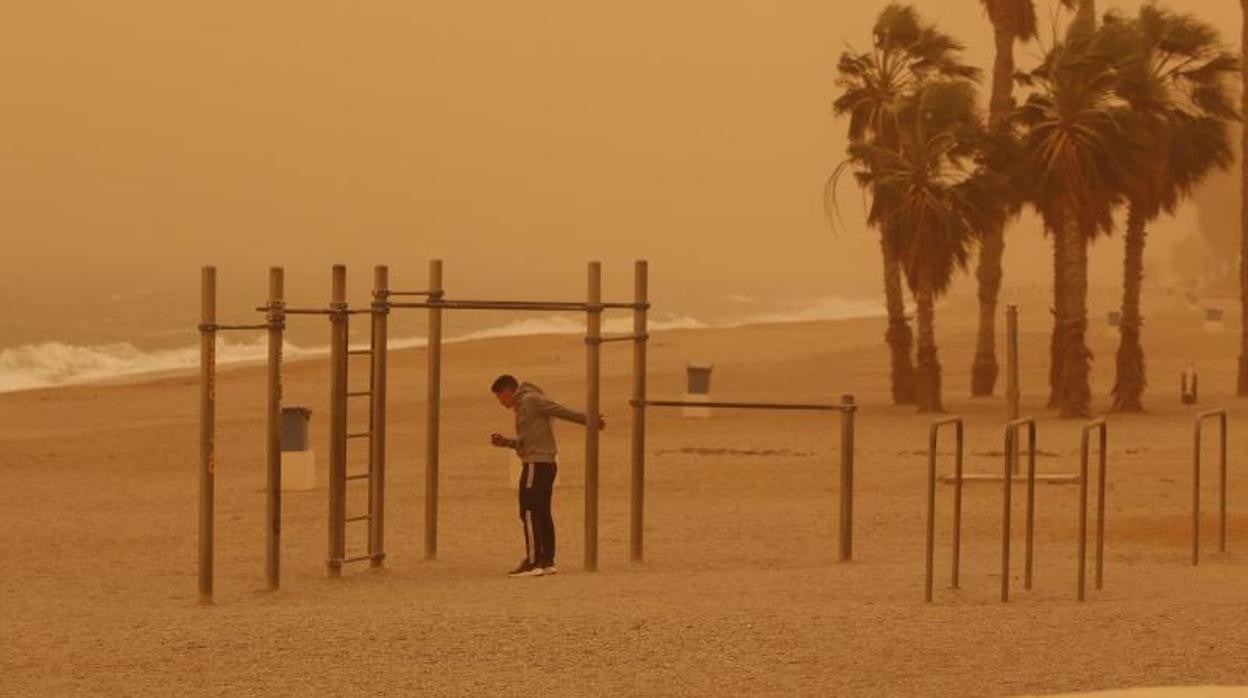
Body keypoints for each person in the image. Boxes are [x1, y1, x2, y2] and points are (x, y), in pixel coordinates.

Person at [489, 374, 605, 577]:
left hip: (536, 464)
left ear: (508, 391)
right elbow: (527, 442)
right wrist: (506, 442)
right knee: (541, 512)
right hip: (542, 462)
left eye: (499, 396)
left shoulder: (530, 400)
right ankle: (547, 560)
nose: (500, 402)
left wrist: (589, 420)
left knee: (528, 511)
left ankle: (533, 562)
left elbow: (560, 410)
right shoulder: (524, 405)